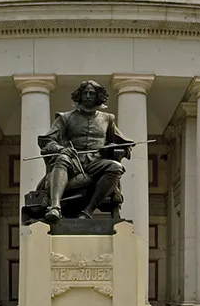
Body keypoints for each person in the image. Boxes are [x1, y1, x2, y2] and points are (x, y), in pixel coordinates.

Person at [25, 80, 133, 223]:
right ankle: (55, 207)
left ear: (98, 97)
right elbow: (47, 140)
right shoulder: (65, 118)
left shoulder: (108, 119)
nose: (88, 96)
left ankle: (88, 210)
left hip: (97, 163)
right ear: (80, 96)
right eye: (85, 93)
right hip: (73, 161)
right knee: (62, 158)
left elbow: (122, 142)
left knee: (116, 167)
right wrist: (61, 149)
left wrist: (122, 147)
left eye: (92, 93)